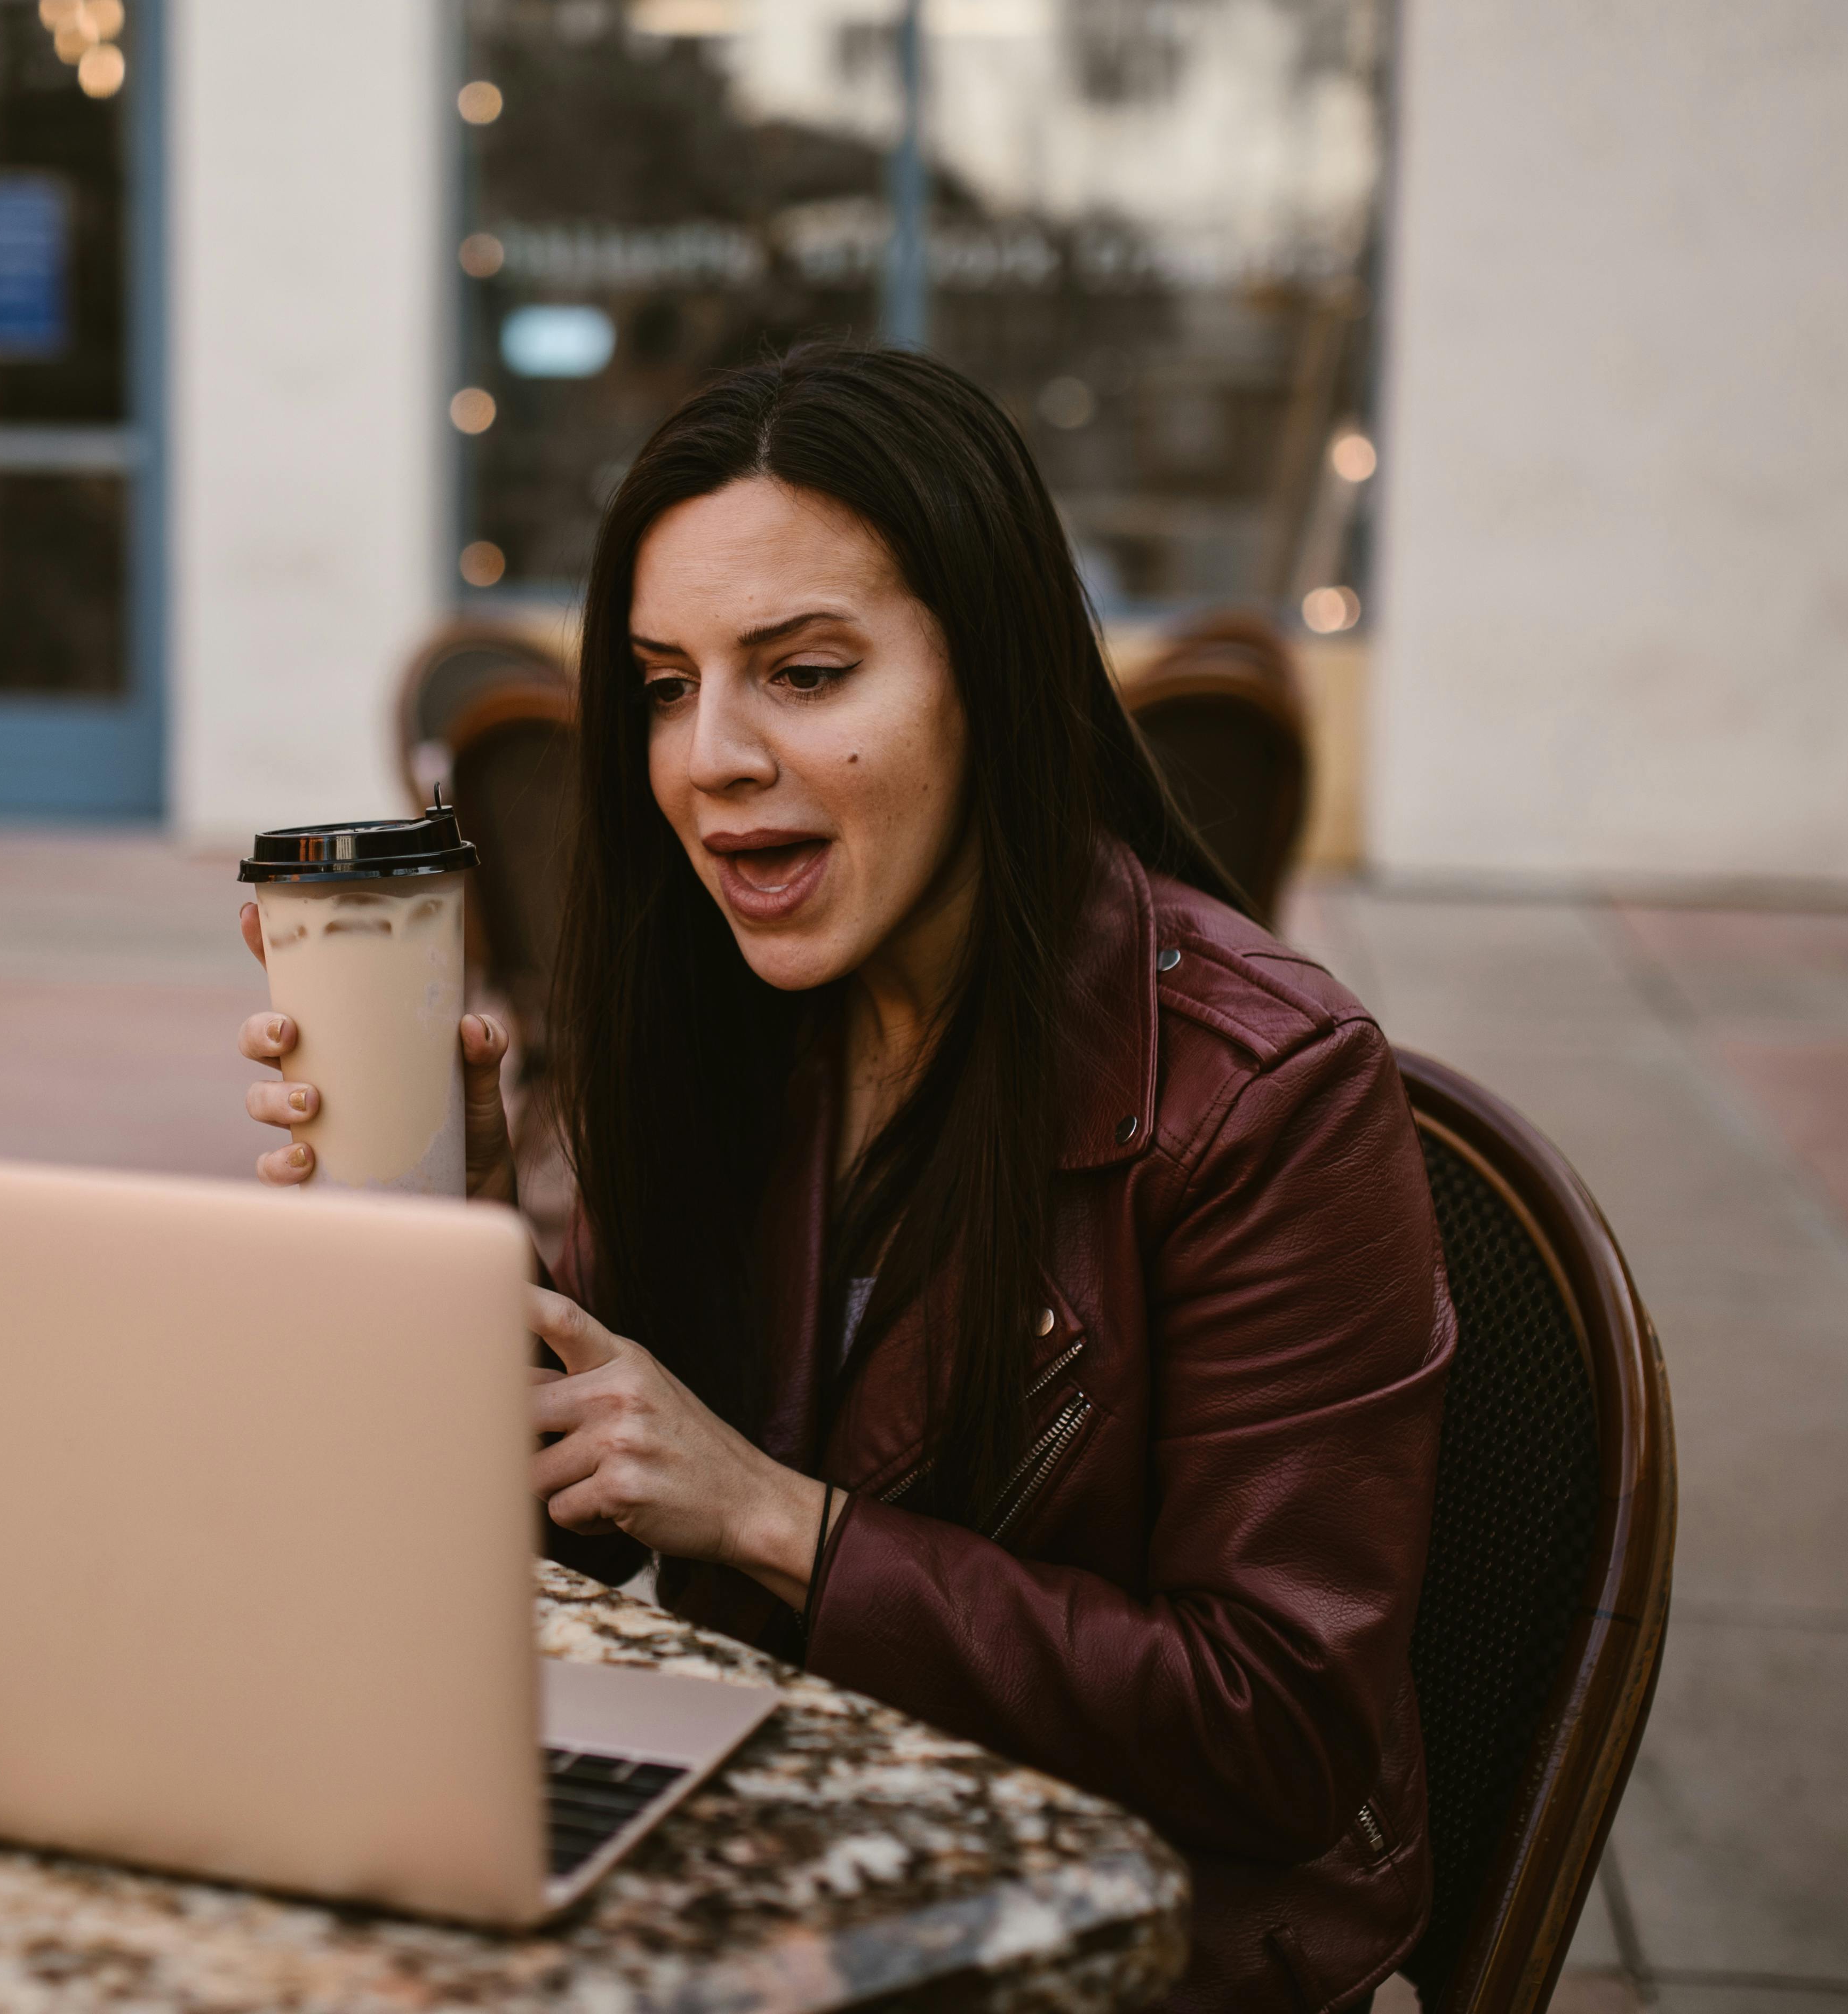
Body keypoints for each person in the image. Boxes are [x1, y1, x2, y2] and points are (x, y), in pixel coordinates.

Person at [242, 344, 1454, 2013]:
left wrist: (771, 1517)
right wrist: (455, 1262)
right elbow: (597, 1522)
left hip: (1135, 1940)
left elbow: (1276, 1734)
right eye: (664, 684)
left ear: (994, 678)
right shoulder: (738, 1014)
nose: (708, 757)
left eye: (802, 673)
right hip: (788, 1848)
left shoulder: (1264, 1093)